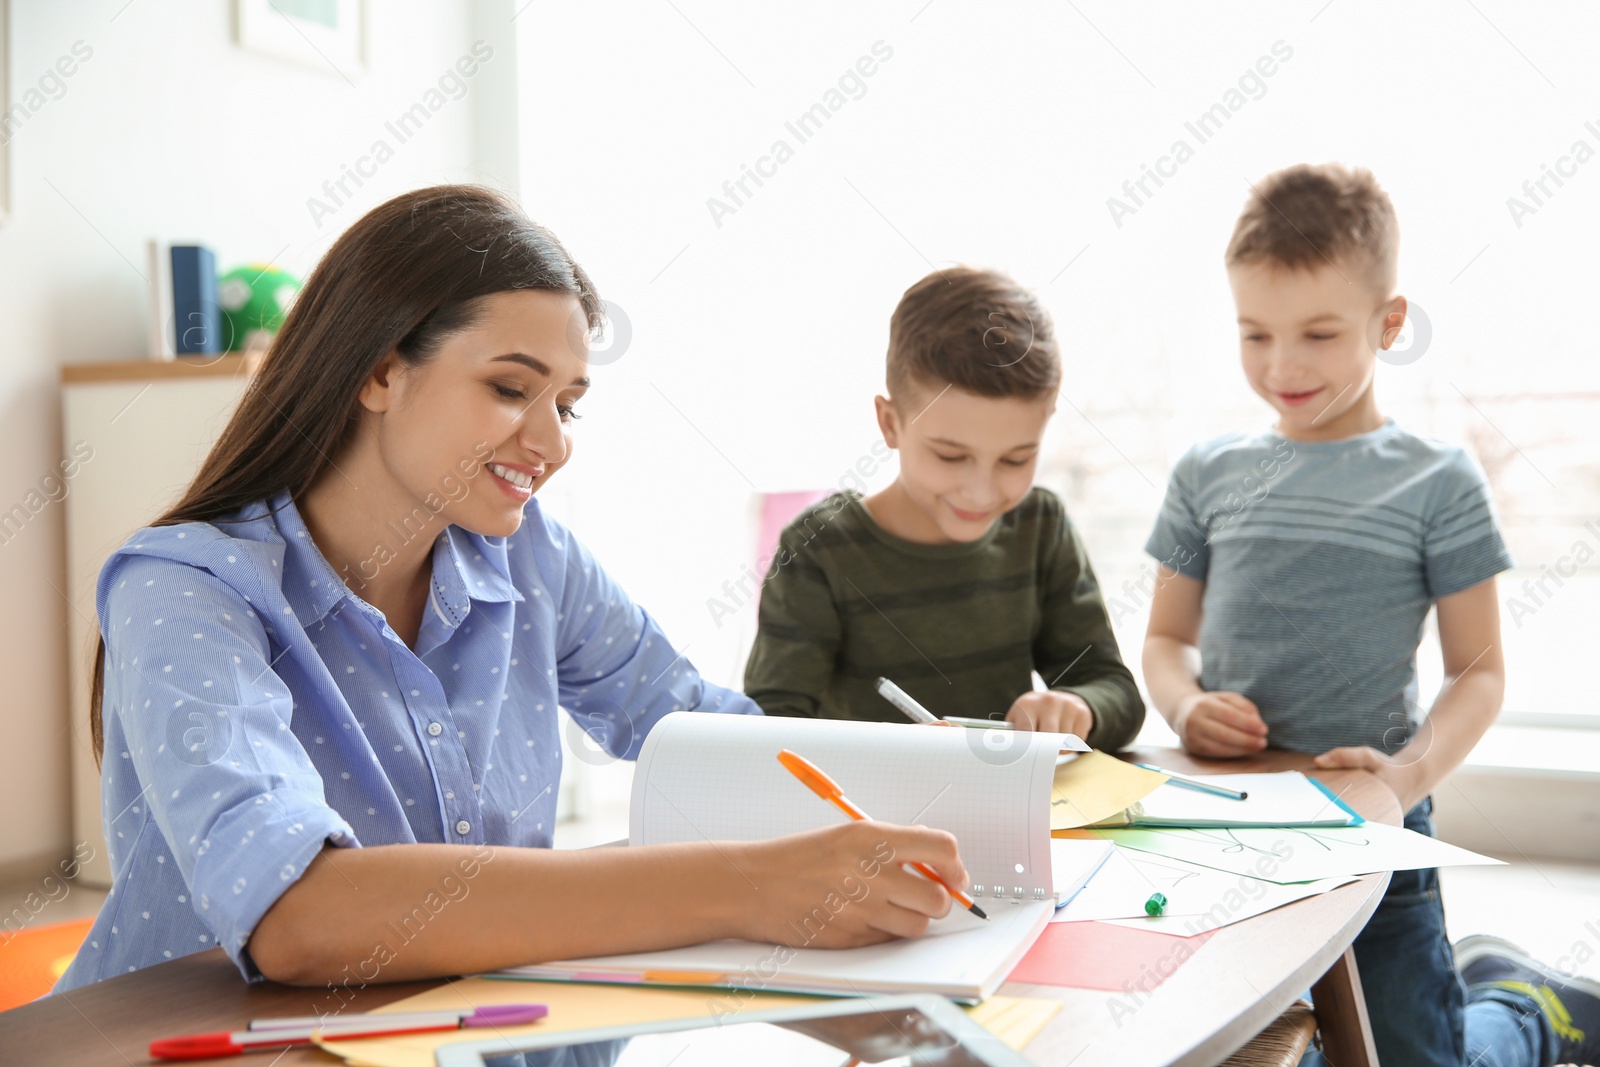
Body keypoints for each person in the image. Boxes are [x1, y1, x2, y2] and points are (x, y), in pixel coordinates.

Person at [54, 185, 969, 995]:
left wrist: (954, 783)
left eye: (566, 404)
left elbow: (698, 732)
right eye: (508, 388)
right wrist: (748, 884)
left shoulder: (531, 556)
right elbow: (296, 916)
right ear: (378, 370)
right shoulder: (186, 585)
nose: (554, 441)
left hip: (469, 1020)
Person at [1141, 162, 1597, 1067]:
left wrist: (1408, 773)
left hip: (1376, 823)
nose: (1282, 365)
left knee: (1423, 1061)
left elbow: (1481, 670)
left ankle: (1524, 1002)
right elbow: (1163, 640)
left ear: (1389, 323)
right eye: (1255, 333)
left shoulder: (1437, 480)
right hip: (1231, 818)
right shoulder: (1206, 474)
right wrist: (1187, 706)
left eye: (1317, 332)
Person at [744, 266, 1143, 749]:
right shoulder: (820, 551)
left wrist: (1079, 708)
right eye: (950, 456)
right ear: (890, 423)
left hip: (1009, 813)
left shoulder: (1039, 527)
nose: (981, 491)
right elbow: (770, 727)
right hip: (867, 816)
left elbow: (1115, 691)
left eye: (1016, 458)